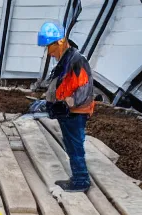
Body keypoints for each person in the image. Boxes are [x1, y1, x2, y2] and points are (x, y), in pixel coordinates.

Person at [38, 21, 95, 192]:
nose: (49, 52)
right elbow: (61, 85)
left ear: (60, 42)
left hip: (75, 112)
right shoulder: (66, 60)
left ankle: (81, 180)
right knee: (71, 144)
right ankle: (79, 176)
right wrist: (49, 102)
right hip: (68, 111)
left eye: (50, 46)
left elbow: (84, 89)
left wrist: (66, 104)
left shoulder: (77, 60)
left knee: (74, 145)